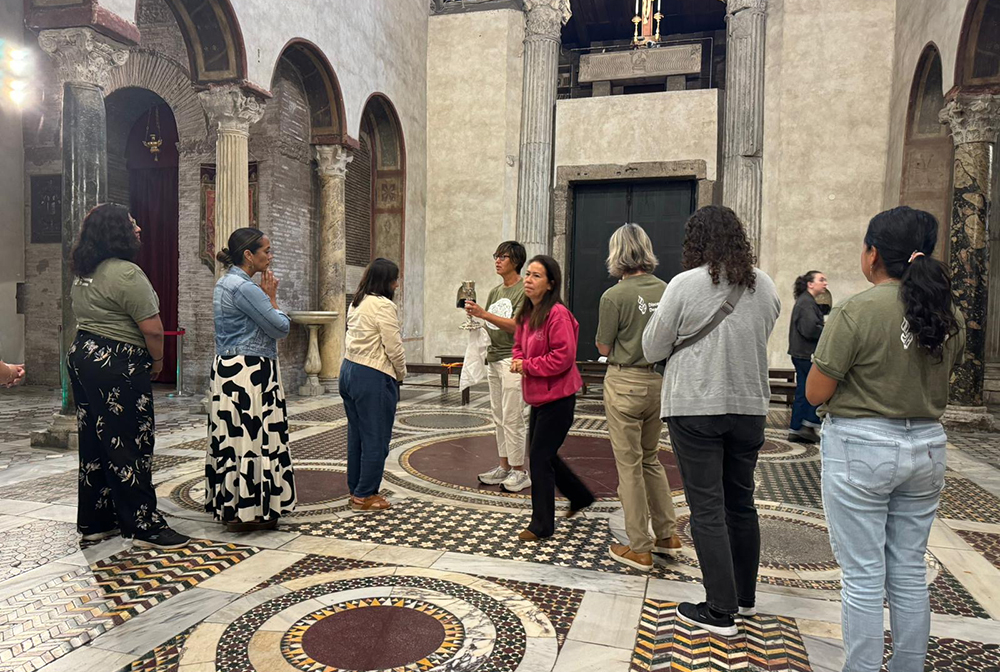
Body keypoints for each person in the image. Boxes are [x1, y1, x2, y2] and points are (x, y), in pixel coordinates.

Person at [806, 207, 964, 672]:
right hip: (928, 447)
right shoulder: (946, 313)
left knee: (863, 576)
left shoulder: (856, 310)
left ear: (873, 254)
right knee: (909, 570)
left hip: (863, 447)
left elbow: (817, 390)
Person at [642, 205, 780, 636]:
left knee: (707, 508)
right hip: (749, 407)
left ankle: (720, 611)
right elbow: (765, 329)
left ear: (695, 241)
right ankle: (744, 597)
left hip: (695, 404)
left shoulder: (684, 284)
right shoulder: (765, 283)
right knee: (741, 503)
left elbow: (651, 347)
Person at [67, 203, 189, 549]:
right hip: (117, 361)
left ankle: (96, 521)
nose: (138, 230)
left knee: (94, 440)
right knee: (129, 441)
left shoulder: (83, 271)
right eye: (132, 224)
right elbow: (152, 328)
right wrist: (158, 360)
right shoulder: (127, 273)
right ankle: (142, 524)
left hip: (84, 355)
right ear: (117, 232)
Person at [596, 223, 681, 571]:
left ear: (616, 254)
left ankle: (639, 546)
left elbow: (603, 345)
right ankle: (667, 534)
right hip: (658, 382)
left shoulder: (613, 296)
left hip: (624, 380)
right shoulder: (668, 289)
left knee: (628, 466)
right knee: (651, 459)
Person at [206, 227, 296, 532]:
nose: (270, 257)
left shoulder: (224, 282)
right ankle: (252, 509)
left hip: (229, 370)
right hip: (250, 375)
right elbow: (280, 327)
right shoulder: (244, 288)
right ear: (248, 255)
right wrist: (271, 299)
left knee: (235, 441)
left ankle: (235, 506)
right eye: (266, 251)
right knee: (253, 440)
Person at [511, 255, 594, 540]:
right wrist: (519, 360)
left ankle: (542, 525)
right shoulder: (526, 312)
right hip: (538, 397)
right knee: (543, 455)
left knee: (539, 458)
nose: (528, 280)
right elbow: (519, 346)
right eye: (528, 274)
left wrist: (528, 366)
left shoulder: (557, 314)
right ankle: (580, 495)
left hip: (558, 398)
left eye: (536, 276)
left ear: (550, 284)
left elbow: (563, 357)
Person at [340, 258, 407, 512]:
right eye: (395, 279)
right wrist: (400, 373)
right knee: (376, 438)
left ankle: (356, 487)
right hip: (372, 374)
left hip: (348, 370)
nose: (397, 284)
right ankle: (365, 494)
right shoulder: (383, 306)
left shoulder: (357, 302)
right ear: (387, 281)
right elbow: (393, 346)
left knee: (357, 435)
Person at [465, 241, 530, 492]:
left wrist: (484, 315)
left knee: (513, 416)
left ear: (516, 260)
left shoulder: (524, 290)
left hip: (514, 359)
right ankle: (503, 466)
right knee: (499, 416)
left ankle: (519, 471)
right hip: (494, 357)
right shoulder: (494, 292)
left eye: (503, 256)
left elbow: (518, 326)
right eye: (496, 256)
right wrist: (475, 319)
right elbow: (491, 324)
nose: (497, 260)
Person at [787, 270, 828, 443]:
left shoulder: (807, 301)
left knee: (804, 389)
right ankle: (806, 425)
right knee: (811, 390)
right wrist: (826, 331)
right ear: (810, 284)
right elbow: (809, 329)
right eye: (821, 280)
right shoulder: (806, 303)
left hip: (801, 353)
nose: (825, 283)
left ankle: (798, 428)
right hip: (805, 354)